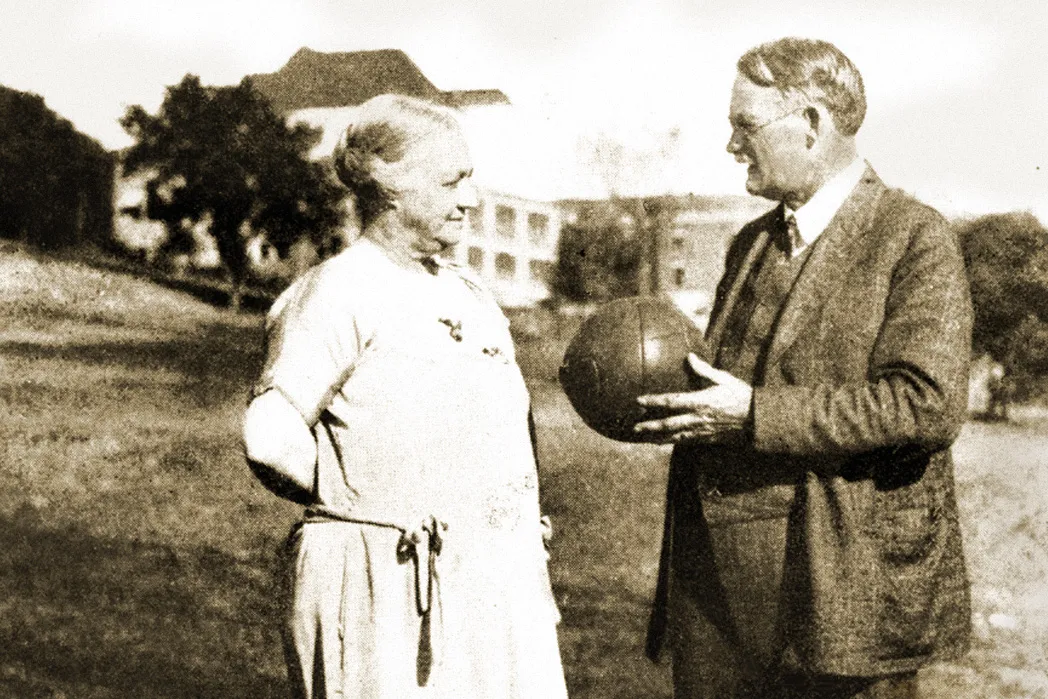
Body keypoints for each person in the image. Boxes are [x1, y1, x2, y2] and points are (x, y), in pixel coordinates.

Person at [634, 38, 972, 698]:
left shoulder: (913, 235)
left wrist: (755, 413)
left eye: (745, 125)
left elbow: (925, 402)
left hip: (838, 595)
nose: (732, 145)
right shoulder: (751, 242)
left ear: (813, 124)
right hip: (716, 600)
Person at [241, 94, 568, 699]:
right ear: (389, 184)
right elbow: (270, 437)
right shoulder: (338, 291)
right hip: (390, 593)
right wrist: (363, 504)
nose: (470, 199)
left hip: (495, 586)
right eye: (453, 181)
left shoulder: (472, 297)